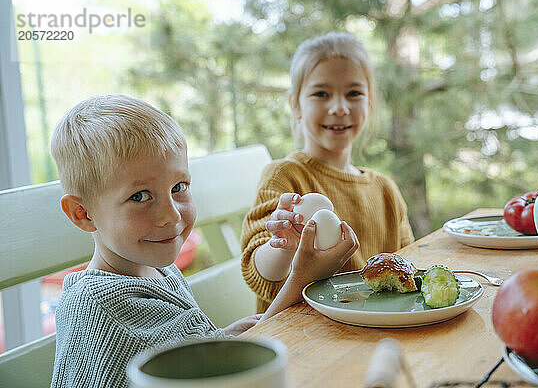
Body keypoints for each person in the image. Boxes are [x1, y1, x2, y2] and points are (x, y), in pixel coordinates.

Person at [49, 94, 359, 388]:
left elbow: (192, 361)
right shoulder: (109, 305)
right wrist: (303, 278)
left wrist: (222, 337)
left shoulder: (155, 270)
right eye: (140, 196)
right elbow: (230, 378)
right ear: (82, 213)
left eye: (179, 186)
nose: (170, 215)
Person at [241, 32, 415, 313]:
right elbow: (260, 274)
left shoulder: (385, 190)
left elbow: (408, 268)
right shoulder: (285, 177)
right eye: (321, 94)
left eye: (354, 93)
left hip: (372, 331)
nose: (339, 108)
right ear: (296, 105)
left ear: (369, 103)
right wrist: (284, 245)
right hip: (303, 339)